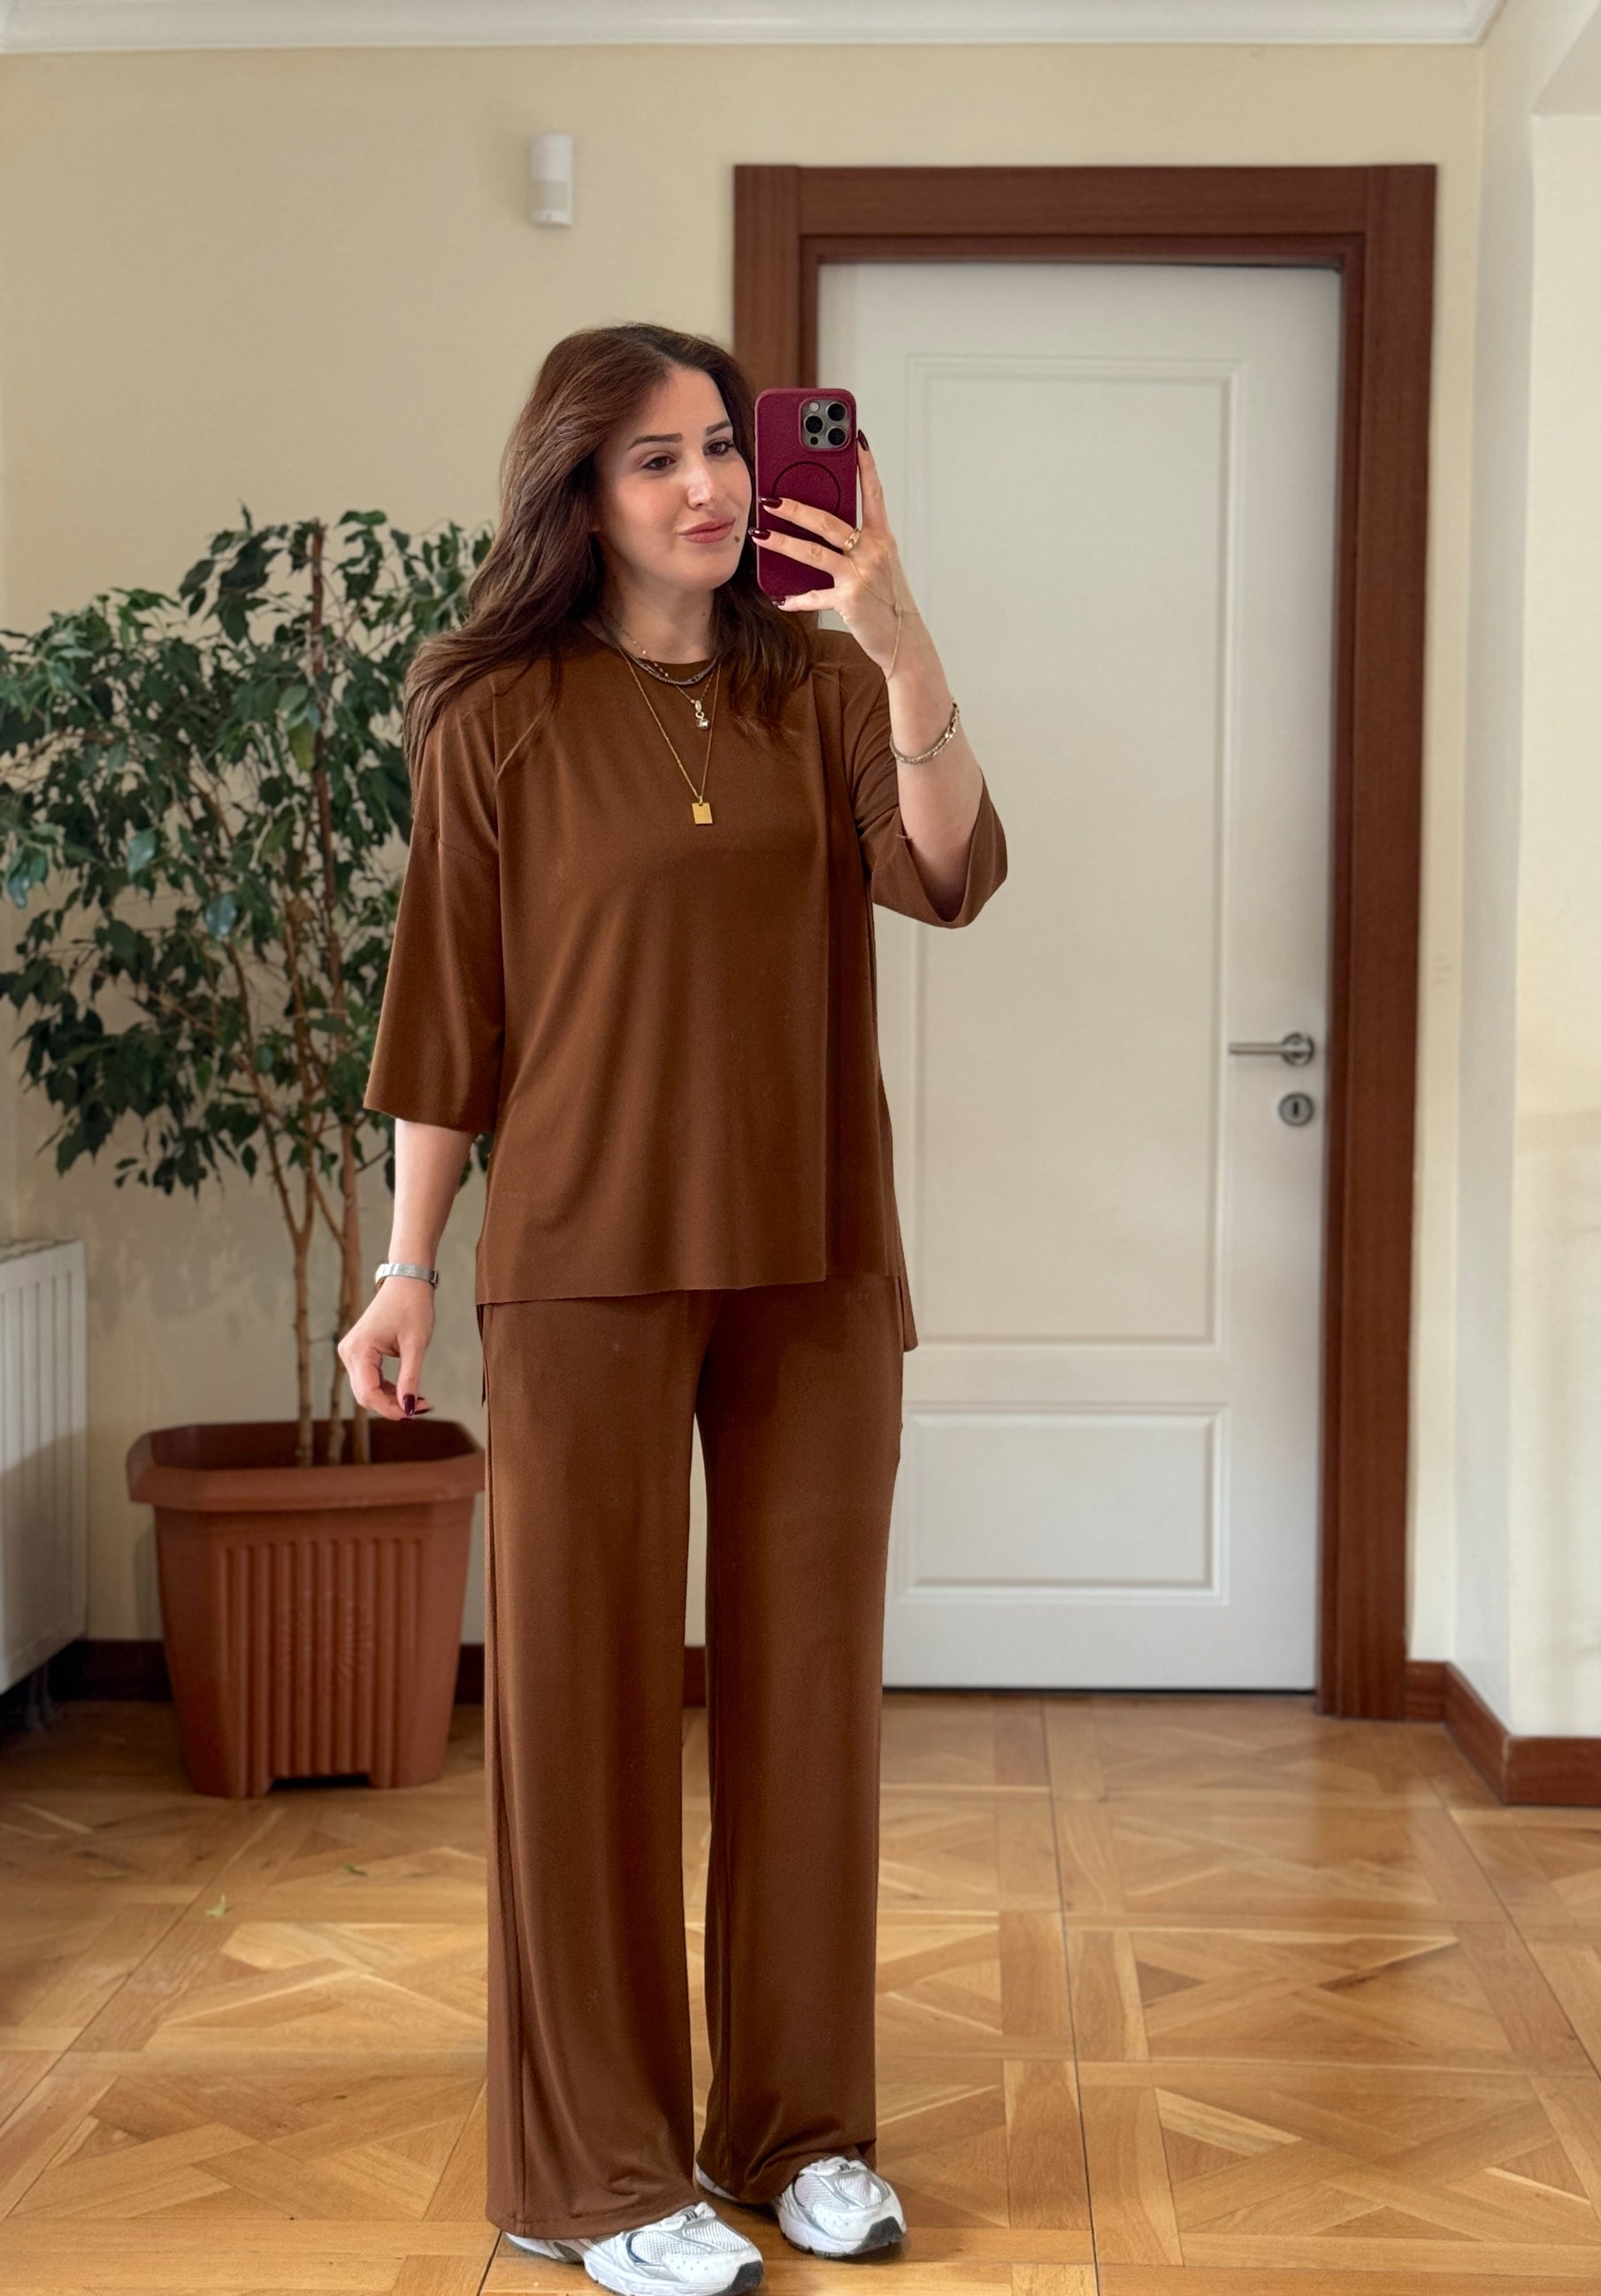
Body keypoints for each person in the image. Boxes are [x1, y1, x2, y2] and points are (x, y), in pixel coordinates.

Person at [338, 323, 1007, 2296]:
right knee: (583, 1712)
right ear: (580, 490)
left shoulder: (824, 686)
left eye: (723, 444)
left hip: (816, 1259)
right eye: (657, 458)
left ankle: (799, 2135)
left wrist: (901, 637)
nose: (707, 484)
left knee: (808, 1701)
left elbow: (951, 873)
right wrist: (404, 1266)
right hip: (582, 1267)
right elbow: (446, 1015)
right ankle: (590, 2170)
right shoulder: (496, 712)